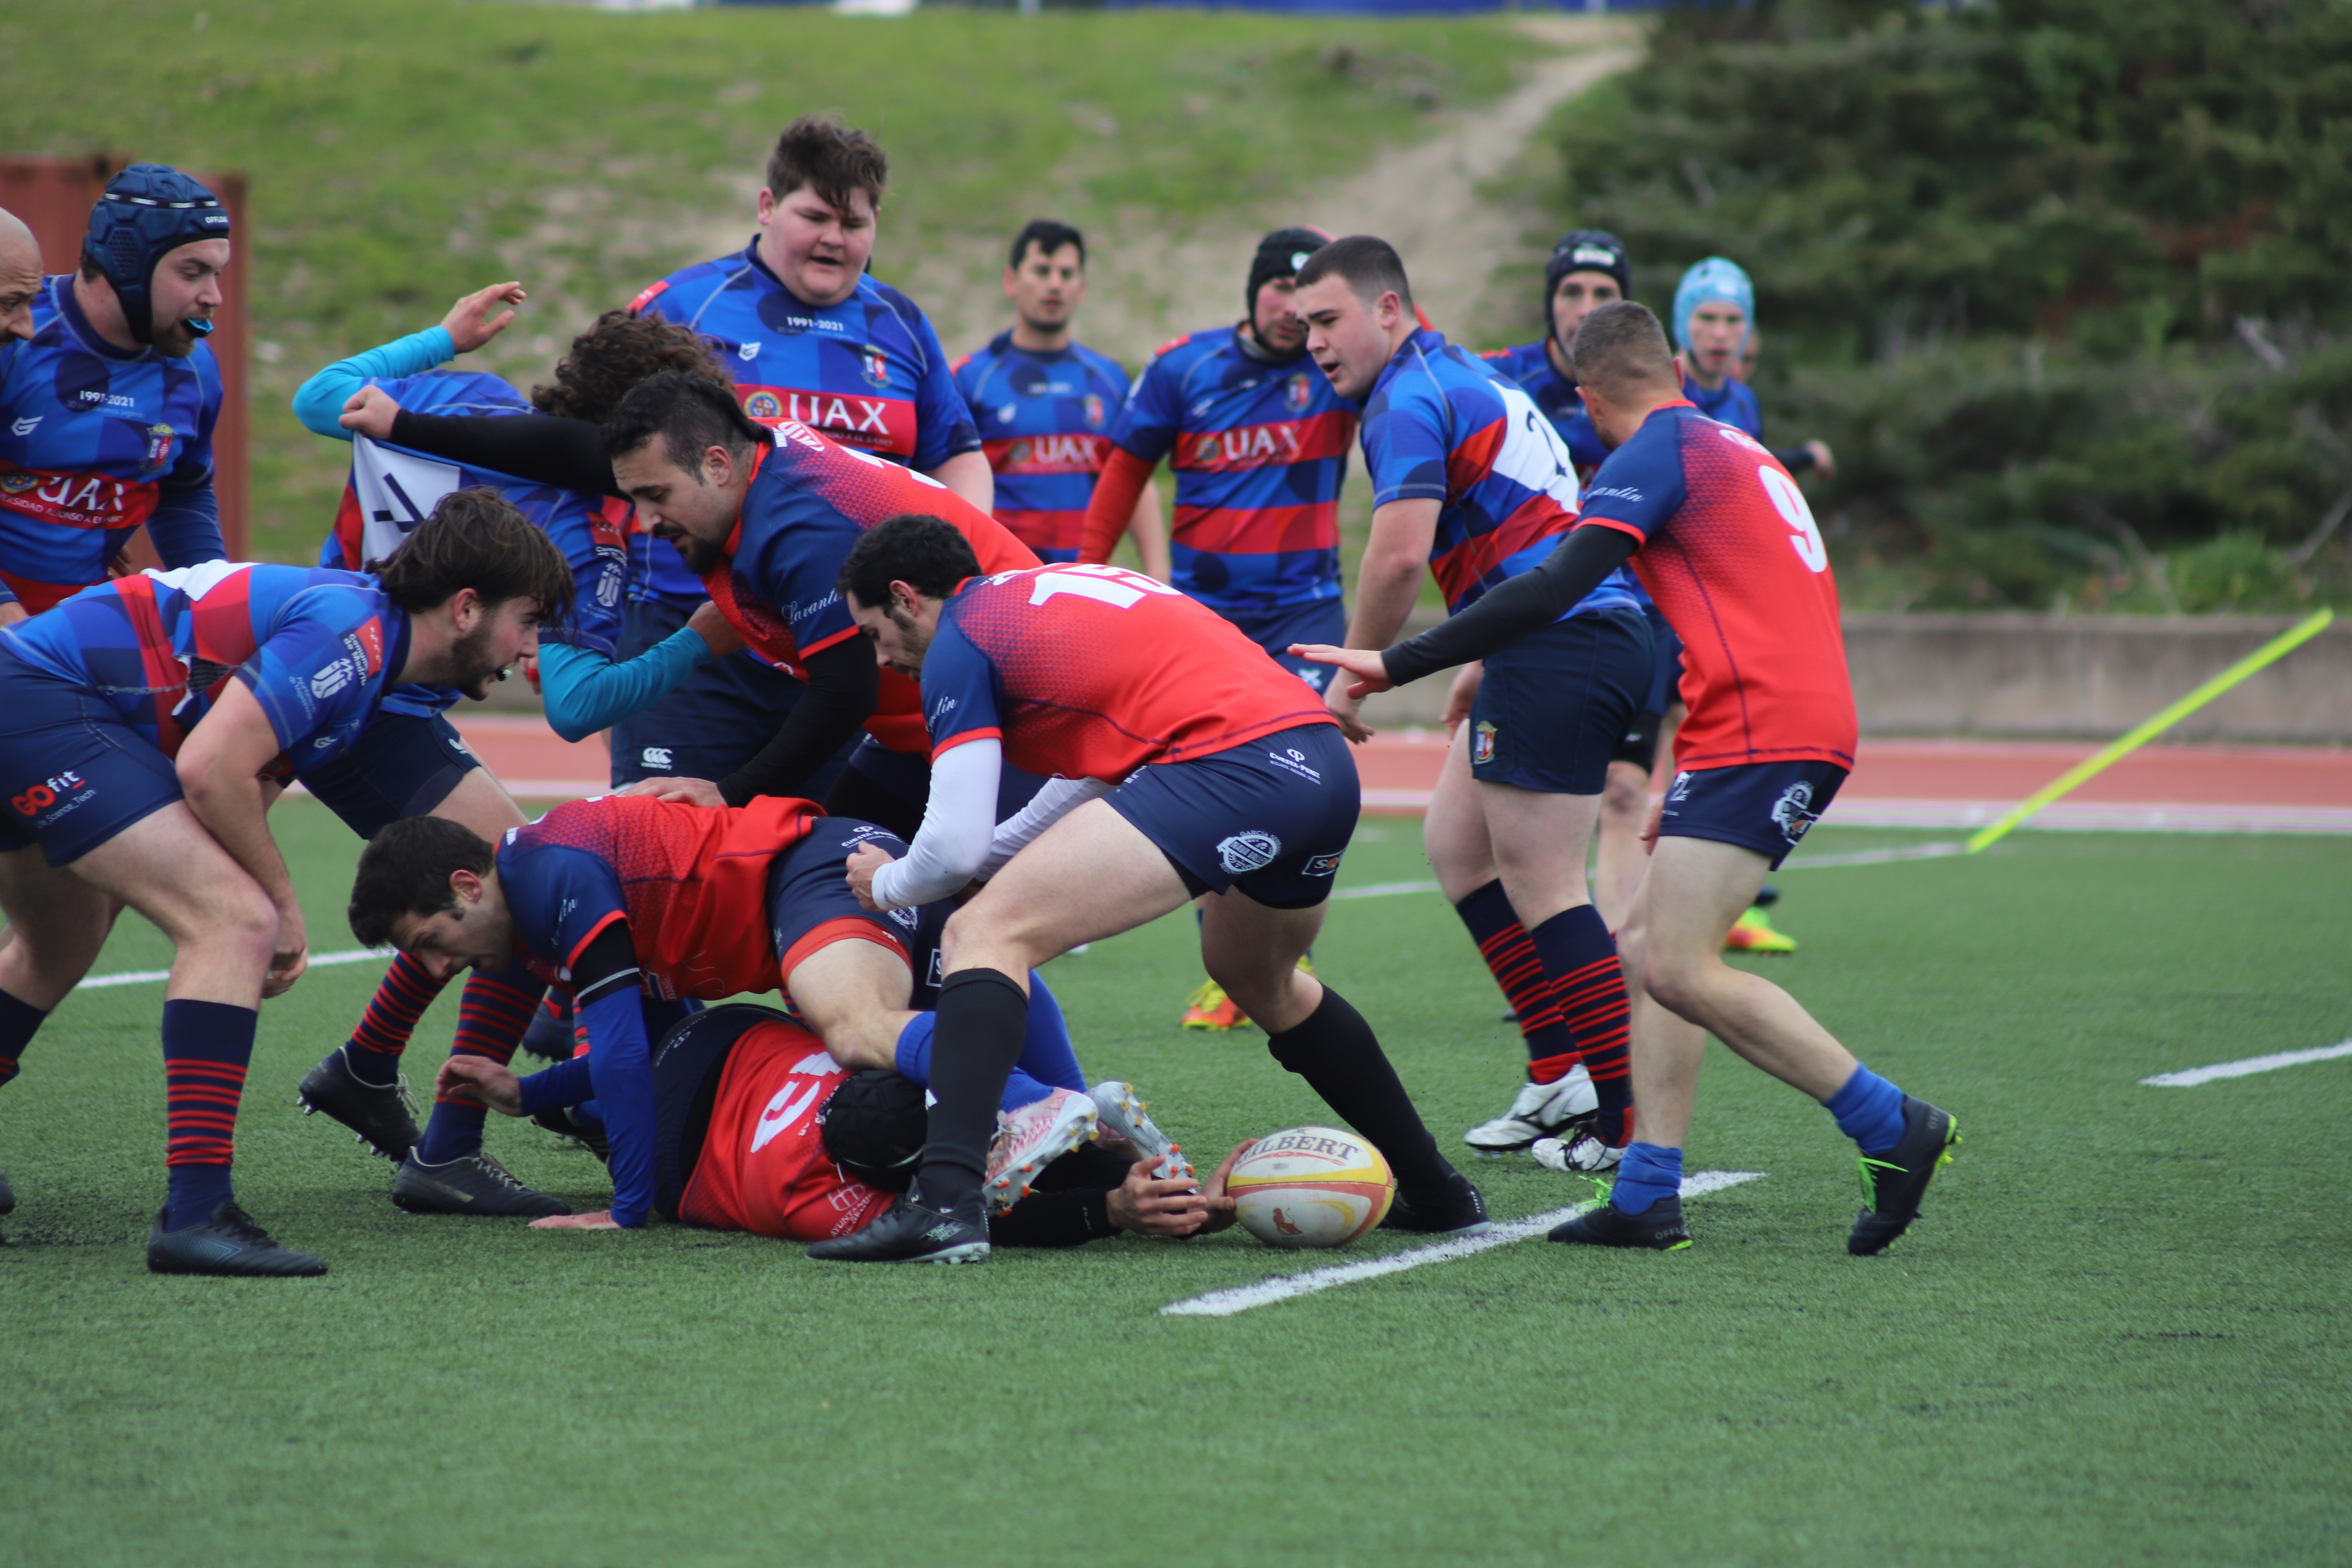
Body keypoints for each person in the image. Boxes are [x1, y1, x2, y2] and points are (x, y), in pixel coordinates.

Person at [1295, 301, 1958, 1255]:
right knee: (1646, 945)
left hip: (1765, 726)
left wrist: (1398, 662)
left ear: (1591, 395)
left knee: (1673, 963)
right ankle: (1649, 1189)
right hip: (1759, 718)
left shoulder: (1656, 450)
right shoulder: (1731, 445)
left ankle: (1889, 1122)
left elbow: (1563, 581)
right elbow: (1649, 593)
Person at [802, 516, 1486, 1264]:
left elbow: (949, 846)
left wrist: (890, 880)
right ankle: (1437, 1187)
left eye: (874, 632)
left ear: (906, 598)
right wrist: (992, 860)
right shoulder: (1051, 596)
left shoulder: (962, 635)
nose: (882, 656)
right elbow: (1091, 776)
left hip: (1238, 767)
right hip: (1318, 763)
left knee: (984, 934)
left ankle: (944, 1204)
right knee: (1259, 977)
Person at [0, 493, 568, 1276]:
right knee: (234, 921)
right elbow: (209, 769)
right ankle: (197, 1213)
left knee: (56, 945)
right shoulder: (354, 635)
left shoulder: (373, 646)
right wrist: (279, 902)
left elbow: (240, 783)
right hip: (39, 700)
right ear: (467, 607)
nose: (531, 648)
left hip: (36, 700)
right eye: (529, 621)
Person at [281, 286, 745, 1209]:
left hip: (335, 668)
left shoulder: (466, 400)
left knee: (519, 871)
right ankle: (450, 1145)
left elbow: (316, 398)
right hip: (364, 703)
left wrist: (440, 339)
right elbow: (575, 709)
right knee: (527, 886)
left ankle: (369, 1063)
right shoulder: (577, 525)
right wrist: (705, 635)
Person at [1293, 236, 1648, 1162]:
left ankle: (1627, 1117)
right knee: (1455, 845)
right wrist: (1479, 655)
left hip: (1565, 641)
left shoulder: (1407, 398)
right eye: (1303, 329)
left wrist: (1350, 680)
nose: (1315, 344)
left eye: (1328, 321)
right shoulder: (1456, 373)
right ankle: (1556, 1072)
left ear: (1386, 310)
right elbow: (1532, 523)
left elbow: (1400, 556)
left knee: (1544, 880)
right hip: (1550, 637)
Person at [345, 797, 1100, 1233]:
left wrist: (628, 1210)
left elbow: (619, 1055)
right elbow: (633, 1056)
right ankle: (1120, 1154)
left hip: (814, 873)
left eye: (432, 942)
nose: (439, 969)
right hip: (816, 881)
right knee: (984, 993)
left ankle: (1043, 1104)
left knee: (857, 1028)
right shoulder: (530, 909)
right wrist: (528, 1094)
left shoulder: (552, 878)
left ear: (466, 886)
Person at [1072, 227, 1355, 1031]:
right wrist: (1088, 574)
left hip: (1306, 615)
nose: (1293, 311)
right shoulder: (1184, 367)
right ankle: (1231, 969)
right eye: (1280, 289)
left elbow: (1408, 339)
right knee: (1218, 788)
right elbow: (1124, 472)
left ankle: (1280, 963)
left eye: (1309, 296)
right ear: (1253, 288)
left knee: (1303, 784)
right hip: (1208, 625)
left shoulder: (1336, 368)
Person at [1481, 232, 1683, 934]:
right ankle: (1556, 966)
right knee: (1508, 805)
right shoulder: (1504, 385)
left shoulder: (1653, 397)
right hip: (1536, 617)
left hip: (1638, 617)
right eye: (1572, 292)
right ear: (1550, 301)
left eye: (1603, 294)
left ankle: (1616, 961)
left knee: (1626, 789)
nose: (1584, 307)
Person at [0, 165, 230, 619]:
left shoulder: (196, 371)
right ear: (130, 264)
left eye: (218, 274)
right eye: (194, 272)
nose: (213, 295)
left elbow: (183, 491)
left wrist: (218, 606)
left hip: (69, 629)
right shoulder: (16, 336)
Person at [953, 219, 1167, 578]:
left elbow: (1135, 480)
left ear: (1082, 288)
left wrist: (1159, 577)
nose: (1055, 285)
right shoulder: (970, 379)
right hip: (1001, 583)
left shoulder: (1109, 380)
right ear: (1011, 281)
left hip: (1087, 586)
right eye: (1042, 271)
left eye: (1067, 275)